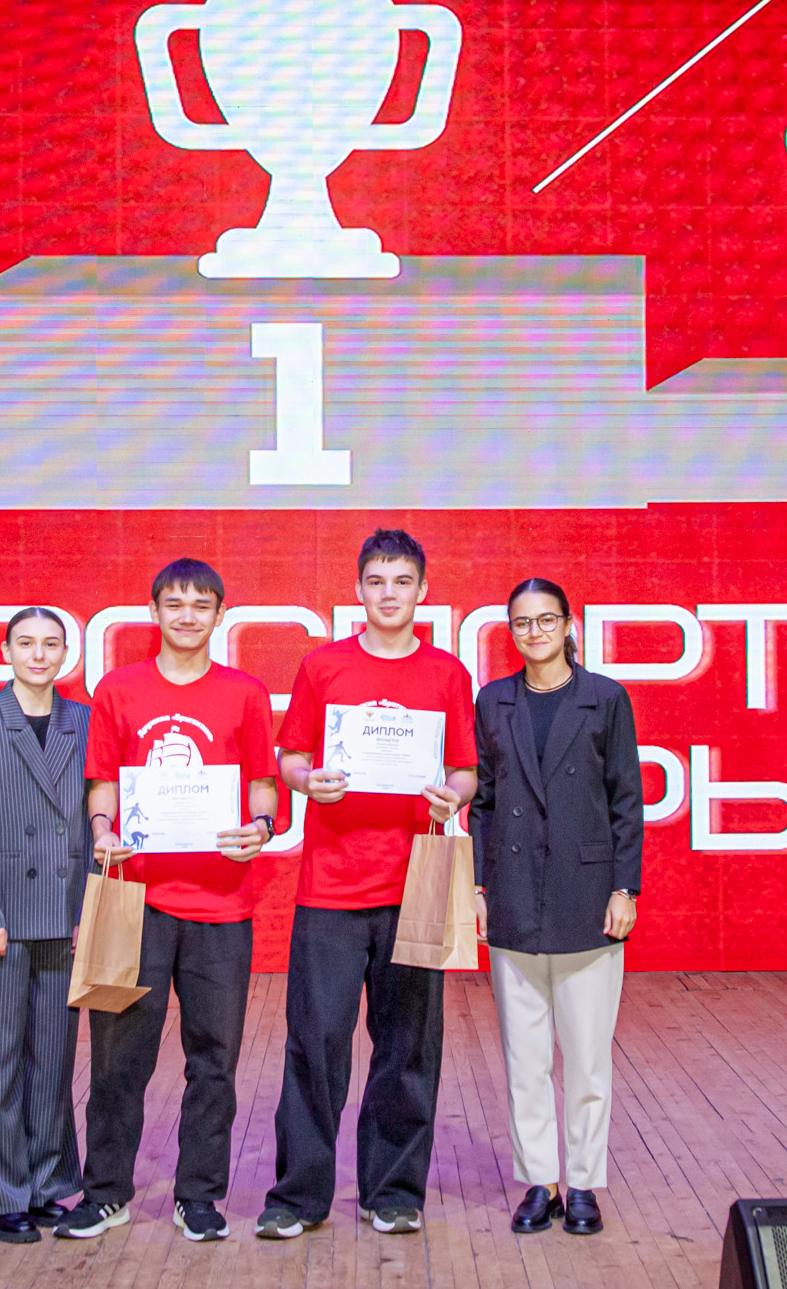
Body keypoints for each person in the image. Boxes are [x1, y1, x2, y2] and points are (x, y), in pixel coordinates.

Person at [255, 528, 478, 1240]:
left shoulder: (447, 674)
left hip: (417, 882)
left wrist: (451, 796)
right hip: (331, 884)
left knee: (408, 1045)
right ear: (358, 589)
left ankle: (393, 1191)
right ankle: (298, 1195)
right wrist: (306, 781)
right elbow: (291, 757)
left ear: (422, 590)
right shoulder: (323, 666)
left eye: (402, 581)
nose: (389, 594)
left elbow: (466, 770)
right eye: (376, 581)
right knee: (315, 1041)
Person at [55, 558, 279, 1243]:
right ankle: (106, 1193)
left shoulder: (245, 693)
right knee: (118, 1057)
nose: (187, 615)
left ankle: (199, 1196)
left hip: (222, 904)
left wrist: (262, 825)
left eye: (200, 604)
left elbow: (265, 783)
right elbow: (102, 782)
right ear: (154, 612)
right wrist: (102, 830)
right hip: (135, 900)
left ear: (219, 615)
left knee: (215, 1059)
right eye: (174, 603)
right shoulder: (118, 689)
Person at [471, 578, 643, 1236]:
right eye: (522, 622)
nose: (534, 631)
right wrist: (479, 889)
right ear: (510, 631)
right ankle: (540, 1181)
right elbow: (484, 803)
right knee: (525, 1058)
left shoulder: (605, 698)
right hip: (514, 894)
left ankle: (584, 1183)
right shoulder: (494, 700)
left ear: (569, 624)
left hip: (587, 897)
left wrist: (625, 887)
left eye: (546, 620)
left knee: (588, 1058)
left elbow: (627, 800)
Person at [0, 607, 91, 1243]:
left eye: (50, 644)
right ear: (5, 651)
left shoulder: (83, 721)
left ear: (65, 653)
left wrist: (89, 912)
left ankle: (44, 1185)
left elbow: (96, 816)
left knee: (52, 1060)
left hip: (63, 913)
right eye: (26, 643)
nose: (38, 654)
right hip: (0, 916)